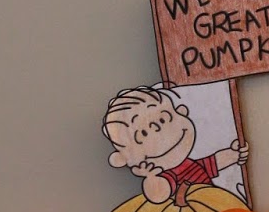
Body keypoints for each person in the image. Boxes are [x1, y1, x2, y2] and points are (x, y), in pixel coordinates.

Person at [102, 85, 249, 204]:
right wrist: (151, 177)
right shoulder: (169, 176)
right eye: (143, 133)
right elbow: (159, 195)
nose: (160, 131)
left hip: (215, 206)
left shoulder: (189, 165)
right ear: (122, 158)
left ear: (181, 113)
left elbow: (212, 163)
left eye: (163, 119)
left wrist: (234, 154)